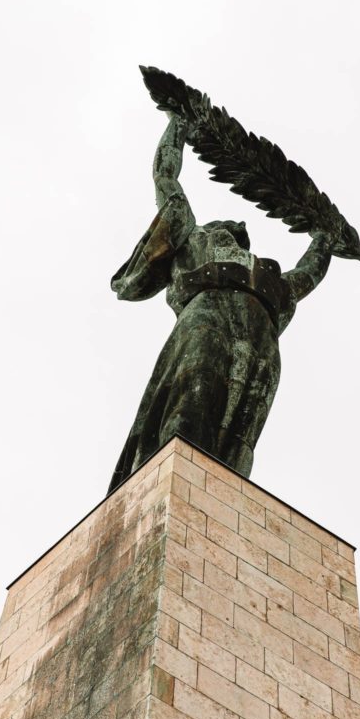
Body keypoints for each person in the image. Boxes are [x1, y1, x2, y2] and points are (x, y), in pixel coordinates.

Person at [107, 114, 335, 494]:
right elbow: (166, 179)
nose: (240, 228)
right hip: (206, 317)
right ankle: (169, 486)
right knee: (192, 401)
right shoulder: (192, 237)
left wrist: (326, 238)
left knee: (240, 432)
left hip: (262, 340)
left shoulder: (269, 277)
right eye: (230, 225)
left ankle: (218, 501)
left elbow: (307, 274)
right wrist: (178, 124)